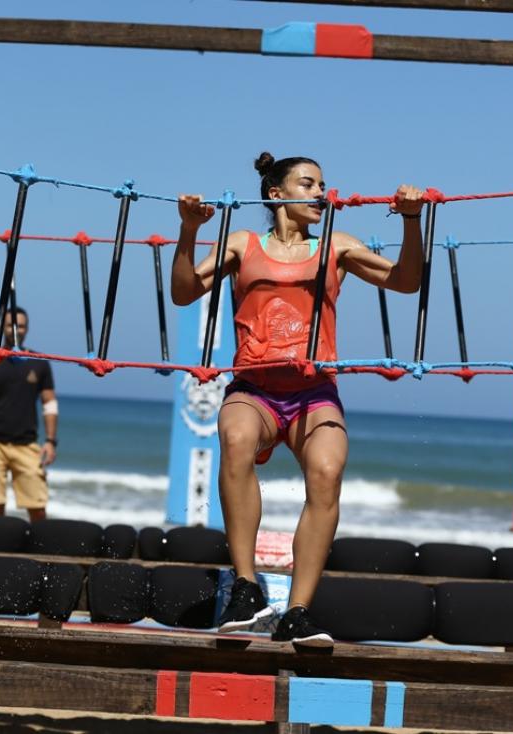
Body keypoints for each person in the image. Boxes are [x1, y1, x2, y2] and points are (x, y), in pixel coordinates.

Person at [171, 152, 424, 647]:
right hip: (255, 390)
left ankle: (298, 611)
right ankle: (246, 588)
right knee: (237, 440)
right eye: (308, 184)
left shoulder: (337, 246)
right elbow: (183, 292)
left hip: (313, 392)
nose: (320, 194)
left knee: (327, 472)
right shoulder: (241, 243)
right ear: (277, 194)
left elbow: (406, 282)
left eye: (323, 185)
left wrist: (411, 221)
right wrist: (188, 230)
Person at [0, 307, 58, 522]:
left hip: (26, 443)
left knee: (37, 505)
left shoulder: (39, 362)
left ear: (27, 329)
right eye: (10, 325)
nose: (16, 330)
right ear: (2, 327)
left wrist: (51, 441)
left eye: (21, 326)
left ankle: (39, 540)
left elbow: (50, 403)